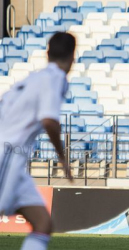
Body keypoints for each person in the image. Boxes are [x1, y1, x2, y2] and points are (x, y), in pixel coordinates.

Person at [0, 32, 75, 250]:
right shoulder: (56, 78)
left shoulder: (32, 78)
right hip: (7, 154)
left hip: (14, 161)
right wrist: (63, 159)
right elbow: (50, 121)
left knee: (43, 223)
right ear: (72, 57)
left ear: (47, 53)